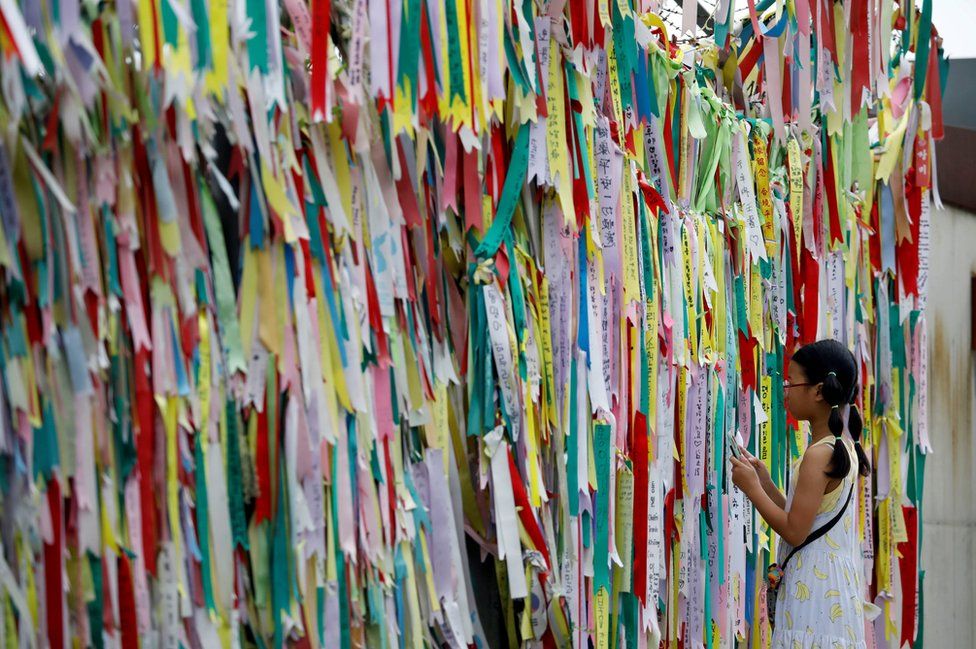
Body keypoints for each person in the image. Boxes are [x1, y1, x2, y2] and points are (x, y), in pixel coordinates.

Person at [730, 339, 876, 648]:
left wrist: (753, 490)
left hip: (815, 590)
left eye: (791, 382)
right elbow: (807, 519)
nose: (785, 390)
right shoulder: (838, 447)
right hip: (830, 587)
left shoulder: (818, 455)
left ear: (819, 390)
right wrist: (767, 484)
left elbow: (795, 531)